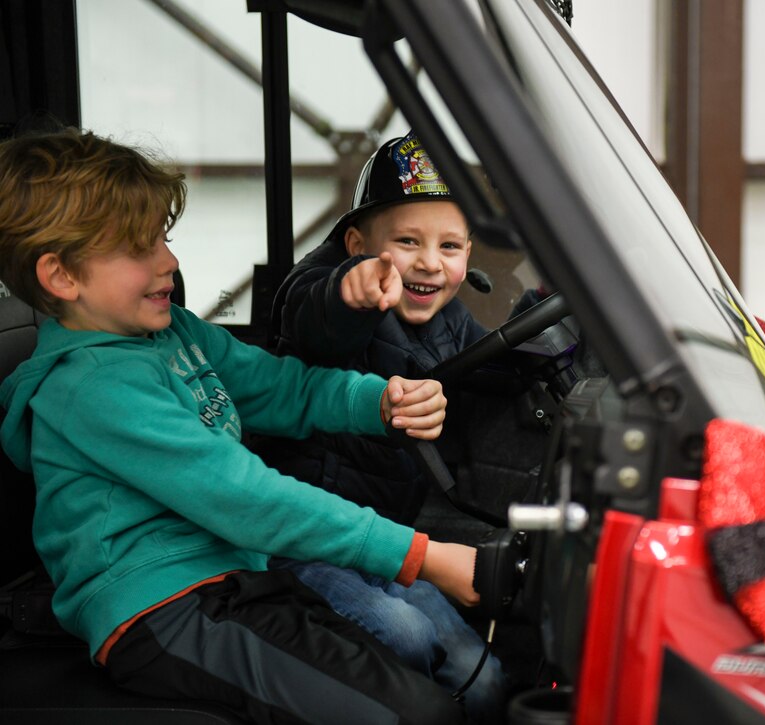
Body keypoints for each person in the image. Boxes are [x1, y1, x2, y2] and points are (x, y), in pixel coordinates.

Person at [0, 127, 479, 725]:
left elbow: (281, 386)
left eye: (163, 239)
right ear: (62, 277)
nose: (169, 261)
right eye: (138, 247)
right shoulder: (91, 386)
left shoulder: (171, 332)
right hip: (161, 609)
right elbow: (242, 495)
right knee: (415, 714)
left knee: (419, 672)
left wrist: (380, 401)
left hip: (235, 576)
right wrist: (423, 556)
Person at [257, 130, 507, 723]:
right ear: (356, 243)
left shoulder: (451, 320)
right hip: (307, 543)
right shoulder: (325, 296)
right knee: (407, 637)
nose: (428, 262)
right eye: (406, 241)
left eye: (450, 245)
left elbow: (495, 375)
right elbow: (315, 325)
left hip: (388, 540)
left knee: (486, 676)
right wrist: (351, 293)